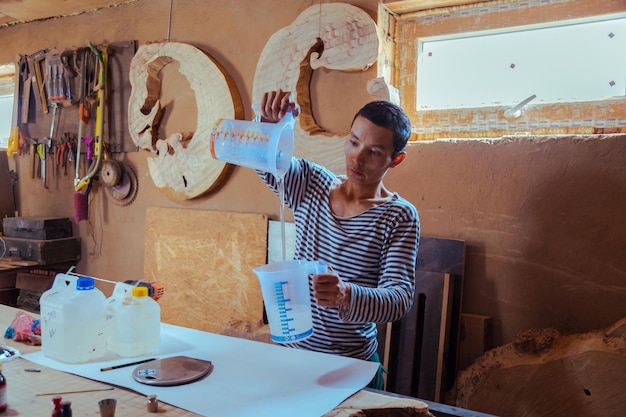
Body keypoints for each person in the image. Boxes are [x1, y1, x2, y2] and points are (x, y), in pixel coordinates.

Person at [258, 90, 420, 390]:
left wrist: (346, 294)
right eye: (354, 142)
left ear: (396, 159)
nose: (356, 158)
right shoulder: (310, 183)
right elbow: (268, 163)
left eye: (373, 151)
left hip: (351, 368)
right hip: (294, 360)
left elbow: (398, 299)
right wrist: (269, 128)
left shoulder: (398, 216)